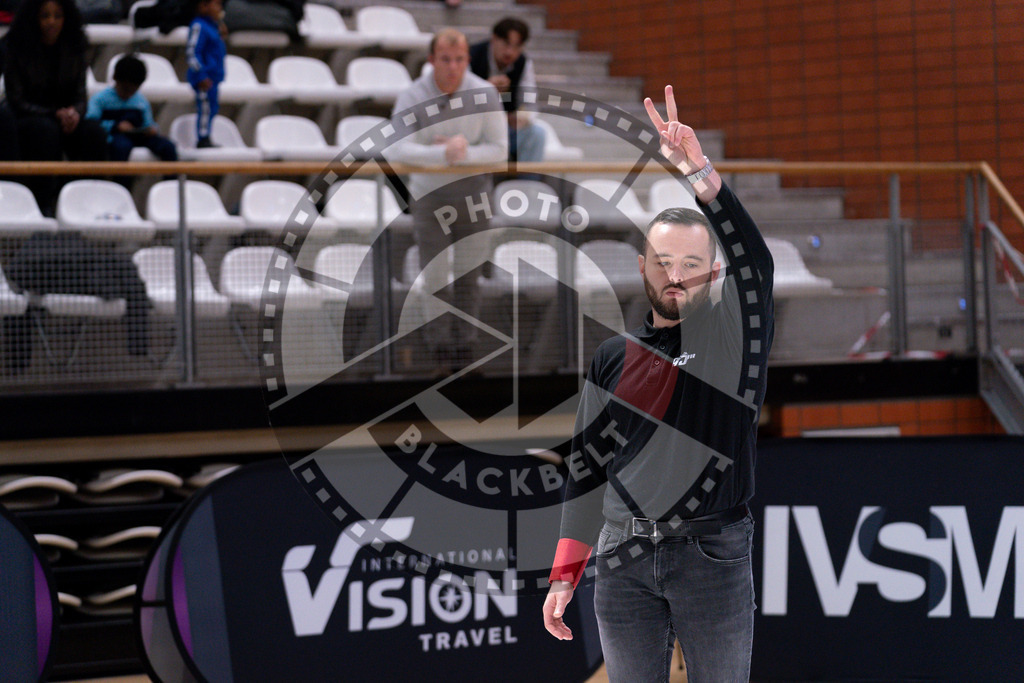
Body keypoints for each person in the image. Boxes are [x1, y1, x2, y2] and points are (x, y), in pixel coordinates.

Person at [542, 85, 775, 683]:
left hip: (711, 551)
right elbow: (586, 470)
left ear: (712, 273)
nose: (676, 276)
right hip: (622, 557)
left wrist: (701, 174)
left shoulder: (732, 342)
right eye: (663, 262)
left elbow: (757, 265)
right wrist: (566, 573)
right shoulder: (612, 358)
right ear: (644, 268)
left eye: (692, 264)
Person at [389, 28, 506, 373]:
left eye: (459, 59)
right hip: (429, 197)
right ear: (431, 60)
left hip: (475, 196)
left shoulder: (484, 93)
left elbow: (500, 153)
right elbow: (396, 149)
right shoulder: (412, 94)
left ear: (468, 61)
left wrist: (462, 152)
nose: (452, 67)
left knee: (470, 276)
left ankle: (466, 351)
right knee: (436, 276)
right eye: (445, 59)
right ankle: (440, 351)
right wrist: (441, 154)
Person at [0, 0, 107, 213]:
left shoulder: (75, 46)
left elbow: (81, 96)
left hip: (64, 118)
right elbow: (16, 100)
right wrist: (54, 114)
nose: (52, 22)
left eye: (57, 16)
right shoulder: (15, 46)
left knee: (93, 132)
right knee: (45, 131)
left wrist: (75, 113)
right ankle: (43, 202)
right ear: (34, 18)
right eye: (45, 16)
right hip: (27, 117)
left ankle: (87, 203)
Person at [469, 17, 546, 162]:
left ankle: (527, 184)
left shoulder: (523, 63)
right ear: (494, 39)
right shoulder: (471, 56)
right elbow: (457, 100)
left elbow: (529, 100)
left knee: (537, 134)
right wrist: (486, 88)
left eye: (517, 47)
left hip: (506, 129)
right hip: (475, 130)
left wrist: (522, 117)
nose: (510, 52)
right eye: (506, 44)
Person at [87, 54, 179, 165]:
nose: (129, 94)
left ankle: (171, 181)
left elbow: (149, 123)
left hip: (138, 137)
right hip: (114, 137)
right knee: (121, 147)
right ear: (116, 79)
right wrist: (115, 126)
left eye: (133, 90)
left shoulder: (140, 101)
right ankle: (120, 182)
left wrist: (152, 129)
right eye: (125, 89)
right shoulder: (100, 99)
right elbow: (90, 124)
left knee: (168, 147)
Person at [185, 0, 226, 148]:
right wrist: (201, 75)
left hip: (213, 78)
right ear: (203, 6)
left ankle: (207, 135)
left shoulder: (213, 27)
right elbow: (192, 53)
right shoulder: (198, 26)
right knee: (205, 108)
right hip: (204, 78)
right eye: (217, 4)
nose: (220, 8)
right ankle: (202, 138)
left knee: (212, 108)